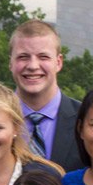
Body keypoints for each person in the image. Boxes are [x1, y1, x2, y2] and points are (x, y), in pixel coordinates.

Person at [10, 19, 86, 171]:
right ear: (10, 63)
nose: (32, 66)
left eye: (43, 57)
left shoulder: (85, 120)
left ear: (58, 62)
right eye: (23, 57)